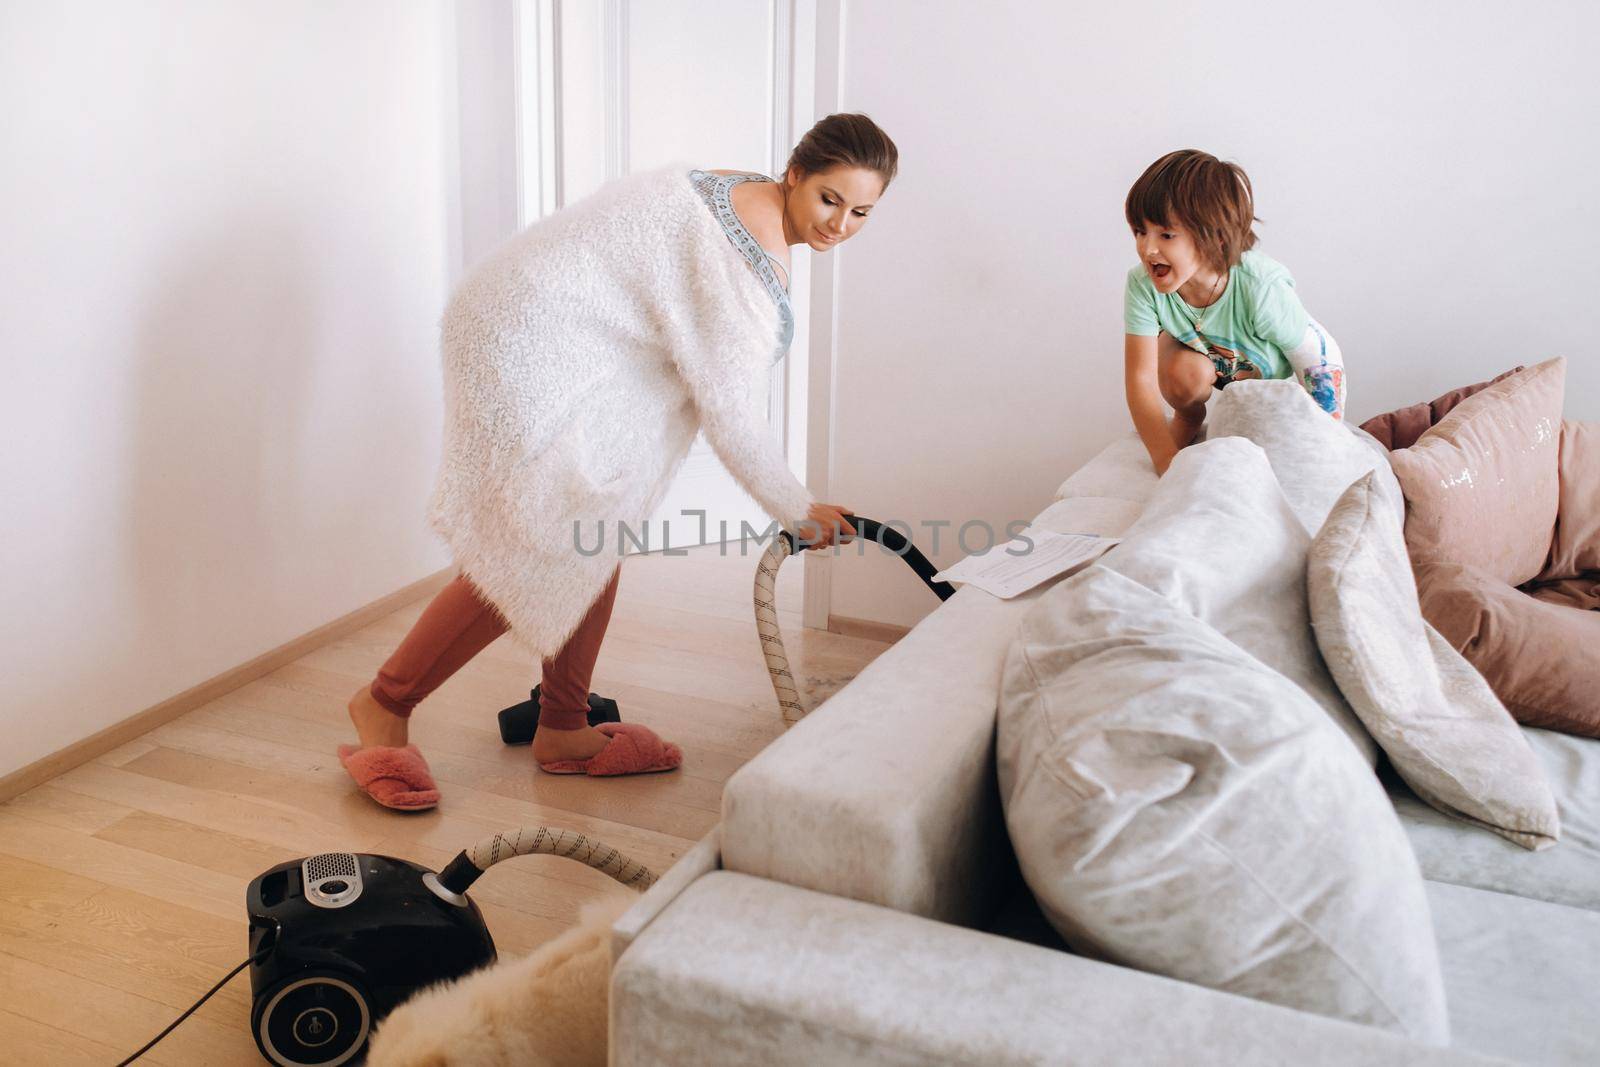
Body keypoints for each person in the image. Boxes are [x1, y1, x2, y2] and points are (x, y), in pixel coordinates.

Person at [337, 113, 899, 810]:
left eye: (862, 212)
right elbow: (729, 410)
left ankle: (564, 725)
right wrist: (797, 507)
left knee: (594, 530)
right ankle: (383, 704)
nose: (840, 224)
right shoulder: (747, 257)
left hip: (546, 327)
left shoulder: (744, 194)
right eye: (829, 199)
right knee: (539, 543)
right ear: (793, 174)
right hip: (527, 342)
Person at [1122, 149, 1346, 476]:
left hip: (1273, 383)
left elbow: (1317, 360)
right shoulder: (1142, 284)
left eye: (1166, 235)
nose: (1147, 248)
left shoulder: (1260, 288)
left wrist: (1327, 440)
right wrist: (1164, 459)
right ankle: (1188, 416)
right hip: (1212, 367)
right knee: (1181, 370)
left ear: (1215, 237)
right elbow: (1140, 379)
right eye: (1140, 232)